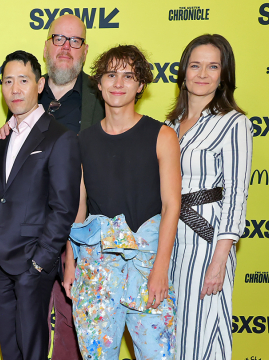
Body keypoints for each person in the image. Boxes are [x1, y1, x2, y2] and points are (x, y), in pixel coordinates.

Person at [62, 45, 181, 359]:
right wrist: (70, 261)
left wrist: (160, 269)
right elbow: (78, 209)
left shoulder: (162, 135)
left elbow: (171, 206)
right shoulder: (83, 141)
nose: (118, 83)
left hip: (147, 267)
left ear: (140, 85)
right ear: (98, 83)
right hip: (96, 269)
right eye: (111, 74)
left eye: (128, 76)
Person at [0, 16, 104, 357]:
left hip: (81, 231)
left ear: (85, 51)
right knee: (26, 330)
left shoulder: (103, 96)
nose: (65, 47)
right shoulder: (21, 99)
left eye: (74, 41)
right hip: (25, 241)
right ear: (45, 47)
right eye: (58, 38)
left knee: (73, 323)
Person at [0, 50, 81, 360]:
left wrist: (40, 263)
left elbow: (63, 208)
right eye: (8, 81)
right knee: (10, 351)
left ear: (40, 84)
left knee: (32, 351)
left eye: (23, 80)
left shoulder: (60, 138)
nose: (15, 89)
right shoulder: (1, 138)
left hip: (32, 263)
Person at [166, 34, 252, 360]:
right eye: (195, 65)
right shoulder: (169, 124)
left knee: (203, 334)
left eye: (213, 66)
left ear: (224, 73)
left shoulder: (234, 124)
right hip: (168, 241)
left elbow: (236, 195)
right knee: (171, 335)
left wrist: (219, 261)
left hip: (207, 241)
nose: (203, 74)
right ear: (183, 72)